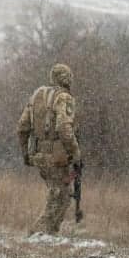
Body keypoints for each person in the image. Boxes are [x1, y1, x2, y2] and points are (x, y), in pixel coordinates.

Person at [16, 63, 82, 234]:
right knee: (60, 195)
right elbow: (64, 128)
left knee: (58, 193)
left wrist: (26, 154)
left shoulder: (38, 95)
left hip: (39, 155)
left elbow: (22, 127)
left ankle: (47, 235)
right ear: (67, 79)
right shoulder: (64, 98)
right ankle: (40, 233)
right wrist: (76, 153)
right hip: (56, 157)